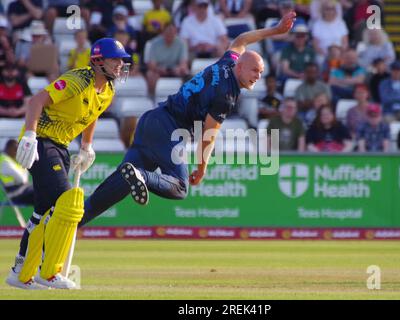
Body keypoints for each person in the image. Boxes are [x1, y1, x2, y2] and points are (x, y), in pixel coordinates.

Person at [78, 12, 297, 226]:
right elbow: (208, 136)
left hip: (151, 120)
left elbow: (241, 39)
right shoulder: (227, 94)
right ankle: (141, 176)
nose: (258, 77)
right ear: (240, 66)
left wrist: (276, 30)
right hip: (170, 131)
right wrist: (201, 169)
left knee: (120, 183)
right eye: (255, 71)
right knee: (180, 188)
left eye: (261, 73)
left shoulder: (227, 62)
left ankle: (77, 218)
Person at [5, 38, 131, 290]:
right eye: (115, 59)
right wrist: (29, 135)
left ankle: (20, 272)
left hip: (60, 146)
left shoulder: (107, 91)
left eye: (122, 60)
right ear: (97, 61)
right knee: (67, 201)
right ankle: (49, 271)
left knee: (41, 212)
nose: (120, 64)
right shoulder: (78, 79)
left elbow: (92, 116)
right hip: (40, 140)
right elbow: (35, 101)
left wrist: (87, 145)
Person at [144, 23, 189, 97]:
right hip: (159, 70)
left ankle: (185, 99)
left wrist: (179, 68)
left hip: (175, 69)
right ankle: (152, 99)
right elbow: (151, 64)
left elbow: (183, 63)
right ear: (163, 33)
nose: (170, 35)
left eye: (172, 32)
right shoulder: (154, 43)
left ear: (176, 33)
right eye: (168, 32)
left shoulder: (182, 43)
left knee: (186, 72)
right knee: (150, 75)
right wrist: (158, 69)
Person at [0, 139, 34, 205]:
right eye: (15, 149)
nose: (16, 152)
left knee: (42, 190)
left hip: (22, 190)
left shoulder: (12, 160)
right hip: (15, 193)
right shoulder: (4, 161)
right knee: (41, 193)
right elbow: (23, 180)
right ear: (8, 149)